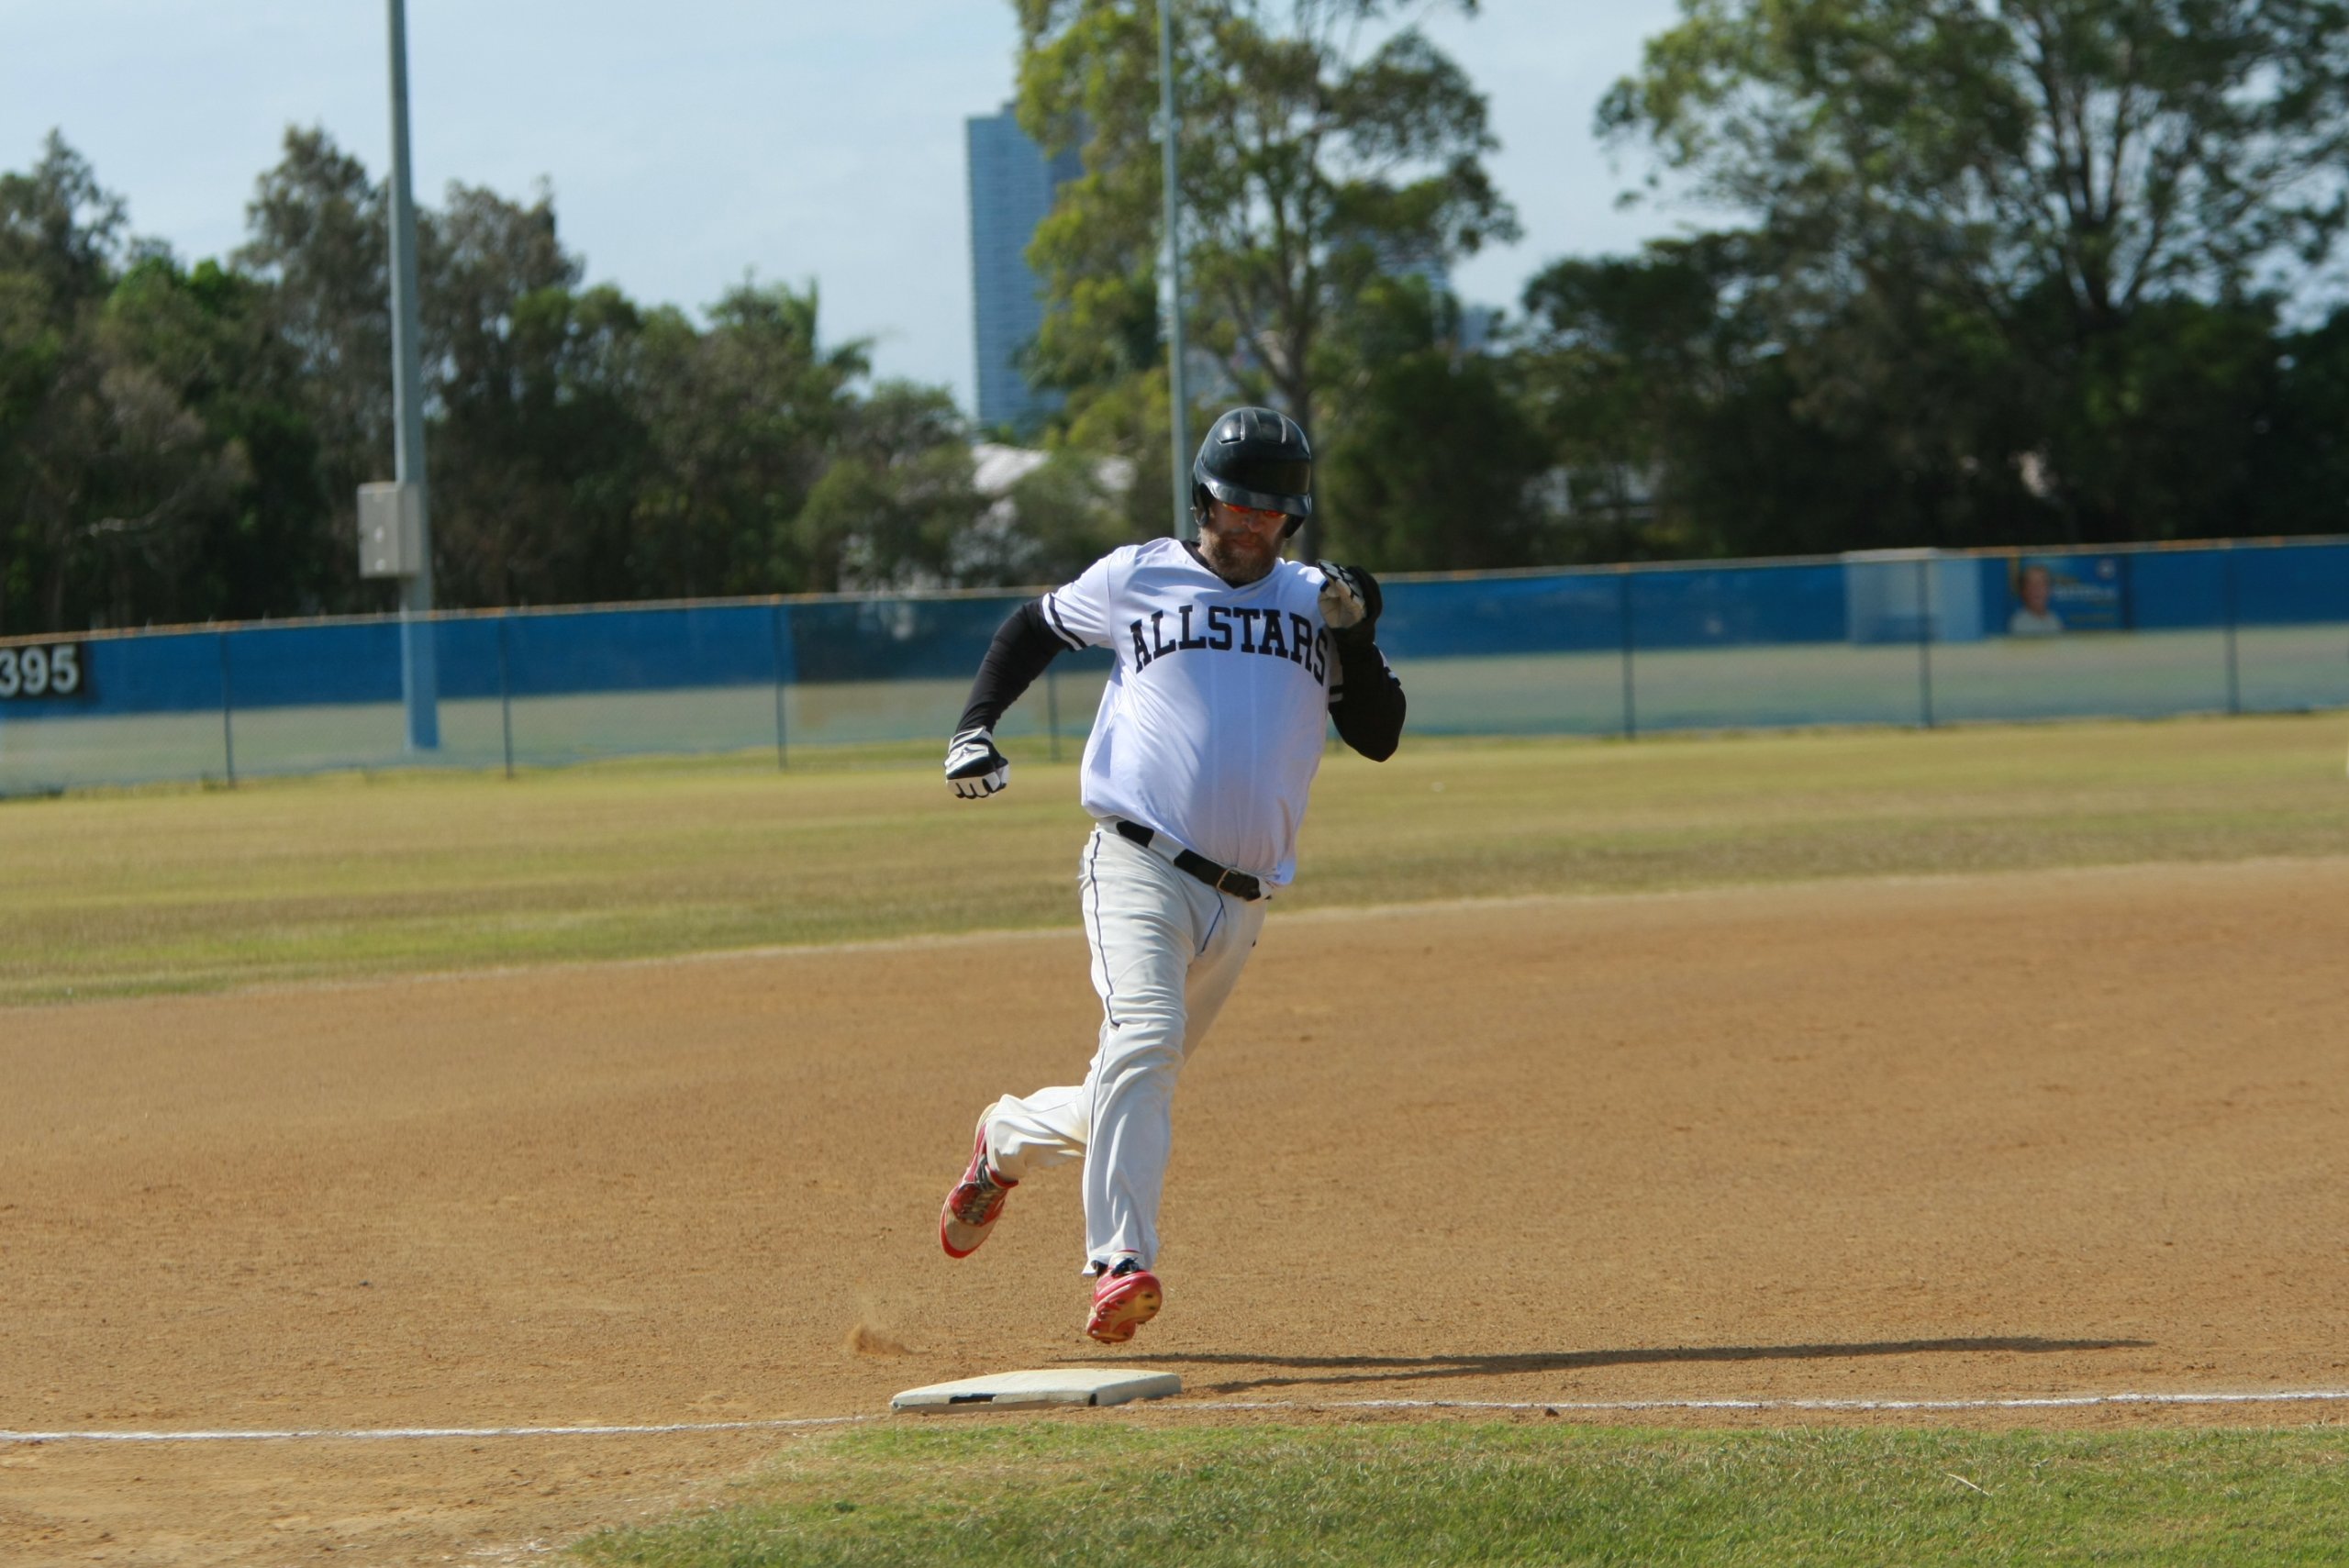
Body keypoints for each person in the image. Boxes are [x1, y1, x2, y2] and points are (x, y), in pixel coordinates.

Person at [934, 406, 1407, 1344]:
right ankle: (1119, 1262)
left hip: (1243, 899)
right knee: (1144, 1041)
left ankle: (1009, 1136)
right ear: (1204, 499)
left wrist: (1355, 637)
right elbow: (1031, 626)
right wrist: (974, 724)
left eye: (1269, 513)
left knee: (1132, 1077)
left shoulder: (1315, 601)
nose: (1248, 526)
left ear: (1291, 519)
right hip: (1136, 859)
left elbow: (1380, 737)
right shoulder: (1137, 573)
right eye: (1234, 505)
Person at [2009, 562, 2064, 637]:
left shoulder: (2054, 619)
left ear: (2049, 589)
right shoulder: (2019, 623)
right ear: (2024, 591)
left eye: (2042, 584)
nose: (2037, 589)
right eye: (2031, 584)